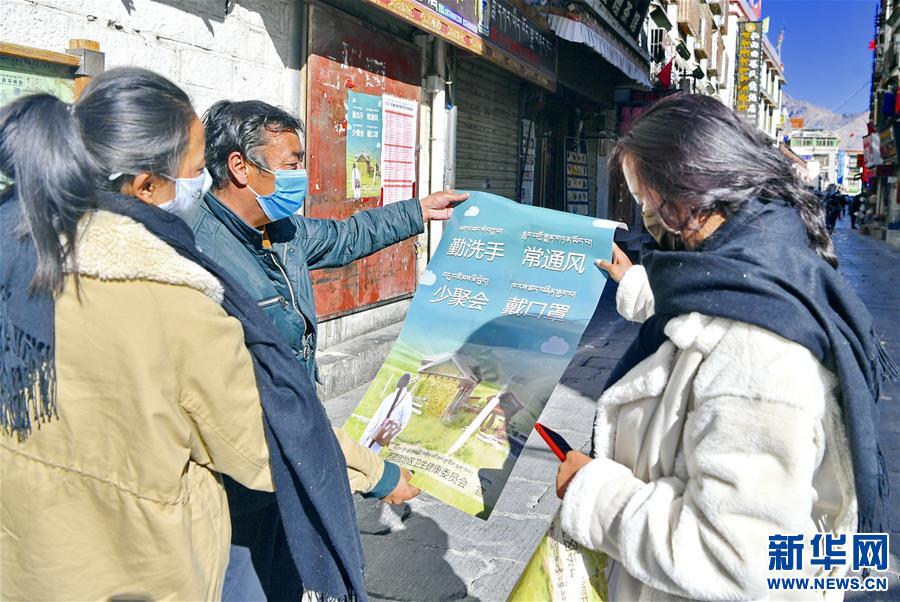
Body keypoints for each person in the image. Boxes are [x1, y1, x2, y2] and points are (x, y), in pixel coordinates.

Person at [0, 68, 366, 601]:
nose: (202, 186)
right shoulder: (174, 293)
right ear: (147, 185)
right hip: (134, 569)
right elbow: (263, 443)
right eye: (196, 171)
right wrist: (371, 470)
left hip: (25, 558)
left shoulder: (18, 250)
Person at [562, 94, 897, 600]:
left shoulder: (754, 350)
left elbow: (736, 558)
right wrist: (633, 283)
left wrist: (592, 492)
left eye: (643, 192)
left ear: (686, 188)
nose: (644, 210)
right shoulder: (765, 270)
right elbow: (699, 315)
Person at [194, 99, 463, 598]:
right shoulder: (203, 255)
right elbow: (248, 408)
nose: (301, 176)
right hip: (238, 476)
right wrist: (376, 476)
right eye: (292, 162)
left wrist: (418, 212)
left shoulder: (280, 233)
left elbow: (346, 235)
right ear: (240, 166)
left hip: (287, 463)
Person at [361, 373, 415, 452]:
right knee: (372, 455)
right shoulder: (404, 399)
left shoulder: (391, 397)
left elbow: (375, 418)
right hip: (384, 433)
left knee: (365, 452)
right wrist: (390, 436)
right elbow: (404, 423)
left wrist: (365, 436)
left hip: (376, 432)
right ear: (407, 384)